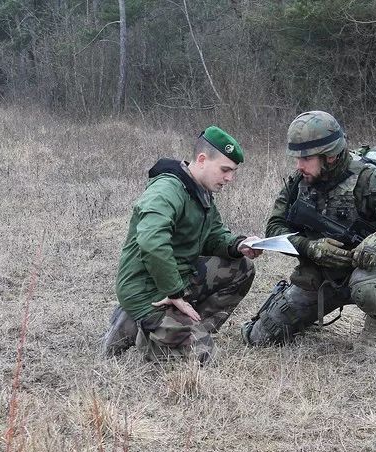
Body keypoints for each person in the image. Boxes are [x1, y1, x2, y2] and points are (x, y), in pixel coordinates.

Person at [240, 111, 376, 353]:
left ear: (330, 156)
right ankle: (305, 315)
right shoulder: (299, 182)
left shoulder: (372, 181)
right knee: (260, 338)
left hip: (366, 272)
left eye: (306, 158)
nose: (299, 165)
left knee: (368, 289)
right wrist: (311, 248)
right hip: (321, 275)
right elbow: (275, 227)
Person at [101, 126, 262, 363]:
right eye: (225, 170)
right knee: (203, 358)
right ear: (202, 160)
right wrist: (174, 292)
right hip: (146, 288)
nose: (230, 178)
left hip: (177, 278)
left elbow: (213, 235)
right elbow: (151, 239)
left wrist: (238, 244)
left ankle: (180, 326)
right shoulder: (167, 189)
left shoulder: (201, 191)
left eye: (233, 172)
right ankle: (146, 328)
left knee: (242, 267)